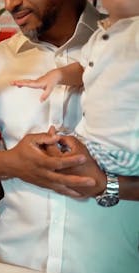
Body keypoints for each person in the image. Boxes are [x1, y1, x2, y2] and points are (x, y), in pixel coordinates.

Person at [0, 0, 139, 273]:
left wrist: (105, 185)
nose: (11, 4)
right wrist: (13, 163)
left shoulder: (129, 46)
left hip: (113, 268)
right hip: (12, 264)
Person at [11, 0, 139, 179]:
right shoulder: (101, 34)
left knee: (65, 161)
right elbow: (85, 67)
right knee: (55, 152)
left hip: (126, 146)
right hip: (94, 140)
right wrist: (58, 75)